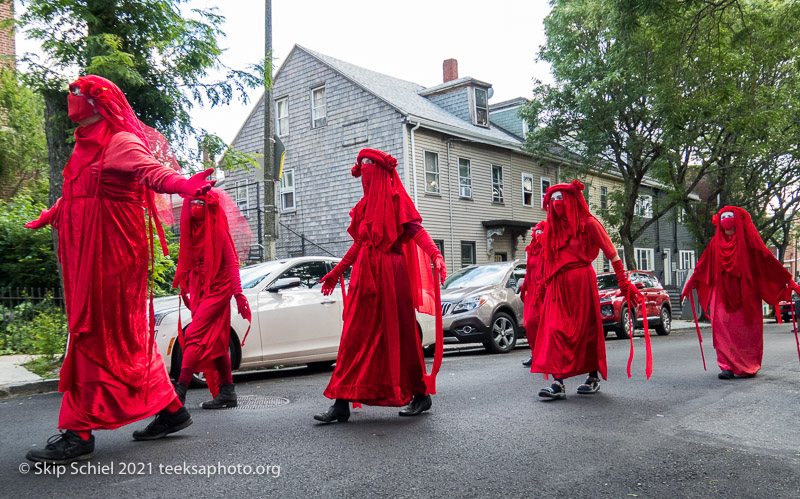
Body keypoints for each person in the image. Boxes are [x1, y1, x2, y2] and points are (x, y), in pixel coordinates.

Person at [24, 75, 215, 464]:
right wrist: (53, 213)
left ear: (98, 102)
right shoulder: (83, 146)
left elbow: (152, 173)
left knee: (92, 334)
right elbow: (79, 192)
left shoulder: (120, 141)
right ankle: (171, 410)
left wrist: (183, 184)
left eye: (78, 92)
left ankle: (77, 433)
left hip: (112, 255)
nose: (70, 97)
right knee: (123, 338)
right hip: (86, 254)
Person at [313, 148, 446, 423]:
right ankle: (341, 401)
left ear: (380, 171)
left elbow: (416, 232)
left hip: (392, 276)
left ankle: (420, 395)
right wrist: (336, 272)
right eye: (361, 170)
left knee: (403, 337)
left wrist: (436, 254)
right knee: (353, 338)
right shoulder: (363, 207)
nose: (364, 176)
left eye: (368, 169)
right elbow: (359, 245)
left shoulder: (398, 201)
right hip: (365, 276)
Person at [531, 180, 642, 400]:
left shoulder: (589, 223)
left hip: (582, 282)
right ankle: (557, 382)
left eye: (560, 198)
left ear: (571, 199)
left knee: (587, 330)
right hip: (558, 285)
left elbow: (612, 253)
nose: (556, 204)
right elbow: (548, 258)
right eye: (552, 200)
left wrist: (623, 281)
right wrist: (542, 284)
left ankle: (593, 377)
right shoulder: (553, 229)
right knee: (554, 329)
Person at [682, 206, 800, 379]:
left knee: (745, 330)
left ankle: (746, 364)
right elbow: (702, 266)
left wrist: (791, 283)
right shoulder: (715, 244)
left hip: (747, 295)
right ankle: (726, 366)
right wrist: (689, 285)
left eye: (729, 218)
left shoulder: (750, 244)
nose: (726, 222)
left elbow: (769, 264)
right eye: (722, 218)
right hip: (721, 294)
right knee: (722, 329)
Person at [172, 188, 252, 409]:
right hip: (201, 288)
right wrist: (186, 284)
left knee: (192, 334)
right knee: (218, 341)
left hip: (219, 288)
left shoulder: (218, 229)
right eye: (191, 202)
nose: (194, 207)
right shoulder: (191, 230)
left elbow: (232, 262)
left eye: (199, 202)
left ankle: (179, 394)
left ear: (209, 206)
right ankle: (228, 391)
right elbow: (188, 261)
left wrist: (238, 294)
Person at [520, 221, 547, 368]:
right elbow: (529, 270)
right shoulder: (531, 250)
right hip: (533, 290)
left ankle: (547, 353)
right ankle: (535, 352)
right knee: (530, 323)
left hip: (546, 290)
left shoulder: (549, 249)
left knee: (545, 323)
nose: (538, 235)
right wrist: (524, 286)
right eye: (536, 232)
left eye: (541, 232)